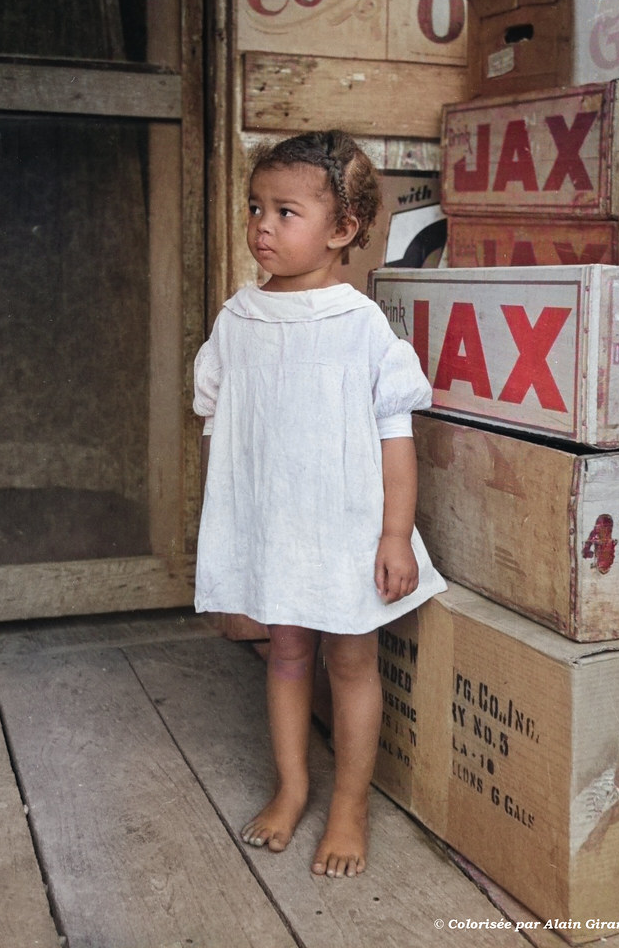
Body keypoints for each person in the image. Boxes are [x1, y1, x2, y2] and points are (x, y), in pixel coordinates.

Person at [193, 129, 446, 879]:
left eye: (284, 211)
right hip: (274, 526)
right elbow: (221, 433)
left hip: (346, 528)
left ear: (341, 230)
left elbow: (394, 438)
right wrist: (230, 534)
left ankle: (349, 803)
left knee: (352, 657)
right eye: (254, 208)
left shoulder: (361, 327)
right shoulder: (236, 321)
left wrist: (395, 536)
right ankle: (293, 785)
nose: (261, 226)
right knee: (286, 650)